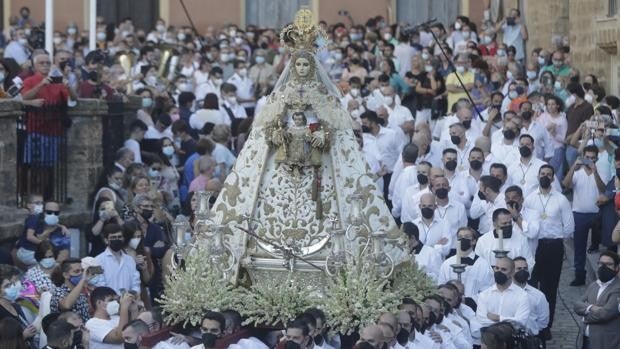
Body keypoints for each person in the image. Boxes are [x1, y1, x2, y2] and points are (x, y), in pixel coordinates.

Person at [563, 145, 607, 286]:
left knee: (599, 247)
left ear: (596, 159)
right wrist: (573, 167)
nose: (589, 161)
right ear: (583, 157)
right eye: (587, 157)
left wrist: (595, 172)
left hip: (596, 214)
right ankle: (579, 275)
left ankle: (603, 277)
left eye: (592, 158)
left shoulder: (600, 171)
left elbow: (603, 189)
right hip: (579, 214)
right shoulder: (577, 172)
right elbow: (566, 184)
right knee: (579, 247)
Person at [573, 251, 620, 349]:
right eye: (601, 263)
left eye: (609, 264)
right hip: (584, 339)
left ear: (617, 268)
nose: (603, 267)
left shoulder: (617, 288)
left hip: (605, 342)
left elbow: (605, 314)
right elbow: (577, 304)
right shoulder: (594, 285)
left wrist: (584, 316)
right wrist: (591, 307)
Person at [439, 227, 494, 303]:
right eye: (460, 237)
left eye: (467, 237)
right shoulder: (447, 264)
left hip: (474, 306)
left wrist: (467, 301)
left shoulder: (483, 265)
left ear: (474, 241)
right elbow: (441, 286)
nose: (463, 239)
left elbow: (487, 291)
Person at [476, 257, 530, 329]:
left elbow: (521, 321)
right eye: (497, 268)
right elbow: (481, 319)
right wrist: (508, 322)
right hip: (489, 337)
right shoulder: (484, 295)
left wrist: (499, 318)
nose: (499, 272)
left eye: (503, 269)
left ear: (512, 272)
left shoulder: (522, 295)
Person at [16, 200, 70, 266]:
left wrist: (62, 226)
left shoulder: (60, 231)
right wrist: (45, 244)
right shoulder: (35, 220)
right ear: (43, 212)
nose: (53, 215)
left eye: (56, 213)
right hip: (29, 255)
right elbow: (29, 237)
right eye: (49, 212)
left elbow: (64, 252)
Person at [95, 223, 141, 295]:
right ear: (106, 240)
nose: (117, 239)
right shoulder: (97, 261)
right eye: (113, 237)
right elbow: (99, 286)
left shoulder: (130, 260)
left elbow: (136, 284)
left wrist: (132, 296)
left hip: (129, 302)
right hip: (109, 304)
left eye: (119, 237)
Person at [512, 257, 549, 344]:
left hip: (531, 340)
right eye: (519, 269)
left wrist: (532, 330)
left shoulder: (538, 295)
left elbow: (543, 321)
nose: (522, 271)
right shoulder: (505, 294)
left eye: (525, 268)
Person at [0, 265, 37, 344]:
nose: (12, 287)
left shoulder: (15, 306)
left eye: (10, 284)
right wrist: (23, 336)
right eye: (6, 286)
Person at [49, 258, 92, 323]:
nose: (81, 274)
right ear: (65, 275)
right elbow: (66, 305)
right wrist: (83, 280)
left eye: (82, 271)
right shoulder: (59, 292)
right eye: (77, 271)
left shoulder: (82, 293)